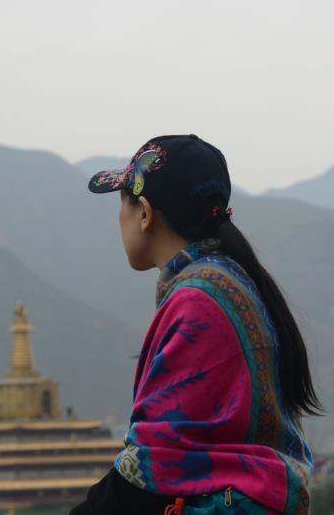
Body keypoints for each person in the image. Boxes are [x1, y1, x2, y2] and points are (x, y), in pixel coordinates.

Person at [70, 135, 321, 515]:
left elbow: (154, 462)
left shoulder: (198, 302)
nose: (119, 217)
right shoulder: (228, 281)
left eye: (123, 201)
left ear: (144, 213)